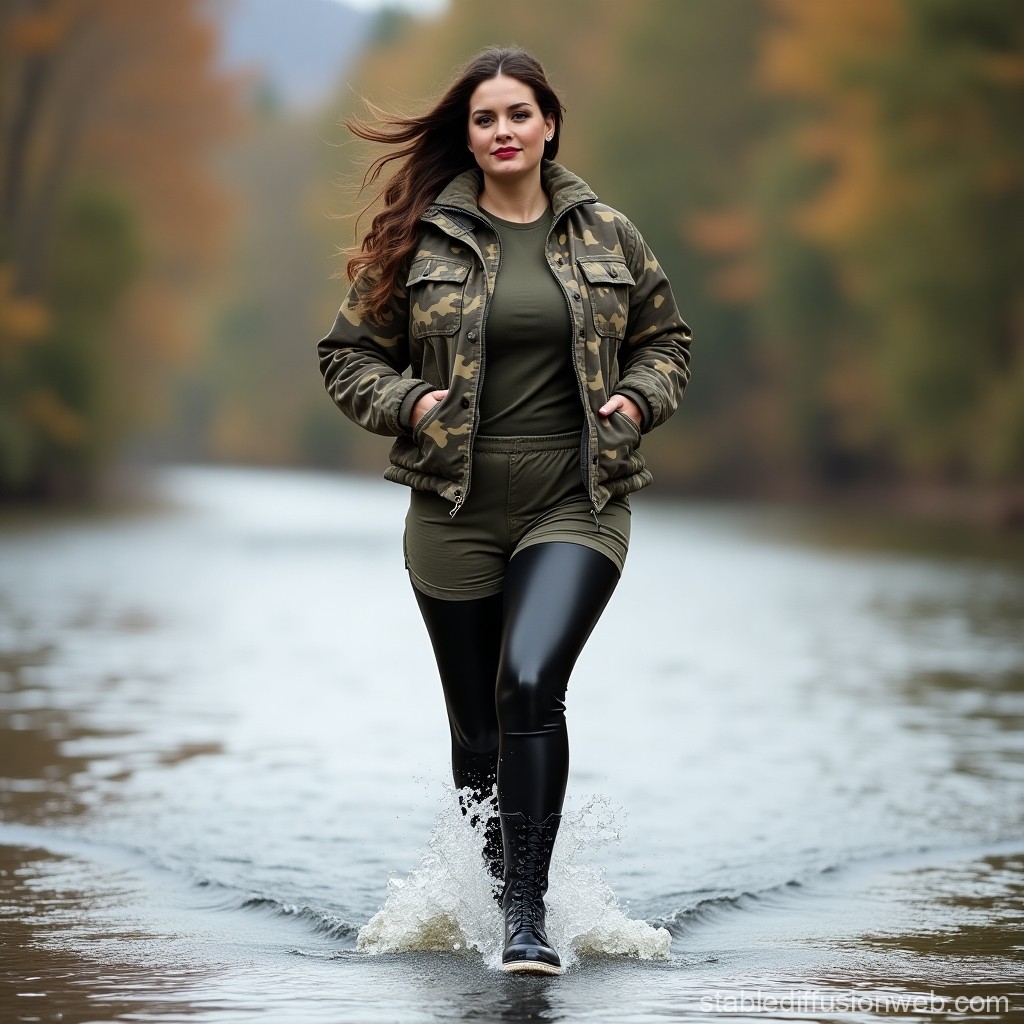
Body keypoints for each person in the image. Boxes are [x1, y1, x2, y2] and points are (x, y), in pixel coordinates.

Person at [317, 46, 691, 975]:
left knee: (527, 684)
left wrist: (638, 398)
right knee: (477, 731)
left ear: (549, 124)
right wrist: (407, 402)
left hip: (577, 495)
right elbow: (346, 356)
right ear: (471, 135)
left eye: (519, 114)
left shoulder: (609, 234)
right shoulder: (421, 242)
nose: (503, 131)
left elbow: (668, 341)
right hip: (454, 507)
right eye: (485, 119)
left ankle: (527, 916)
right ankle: (492, 898)